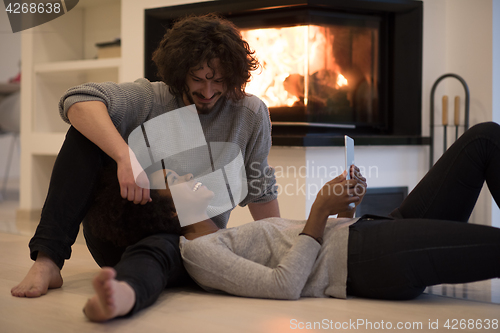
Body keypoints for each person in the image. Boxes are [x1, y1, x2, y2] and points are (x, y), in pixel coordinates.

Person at [79, 121, 500, 322]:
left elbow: (314, 247)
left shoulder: (226, 234)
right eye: (175, 178)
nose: (188, 174)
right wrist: (318, 211)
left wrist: (344, 209)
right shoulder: (201, 254)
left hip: (375, 231)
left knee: (484, 138)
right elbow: (284, 286)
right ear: (168, 211)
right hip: (373, 260)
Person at [11, 13, 280, 311]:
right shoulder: (152, 98)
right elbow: (77, 99)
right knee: (84, 134)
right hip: (119, 236)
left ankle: (123, 294)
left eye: (218, 80)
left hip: (187, 243)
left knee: (164, 248)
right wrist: (125, 157)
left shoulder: (250, 114)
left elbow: (261, 189)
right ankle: (48, 259)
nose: (207, 91)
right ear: (180, 73)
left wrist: (278, 249)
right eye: (198, 78)